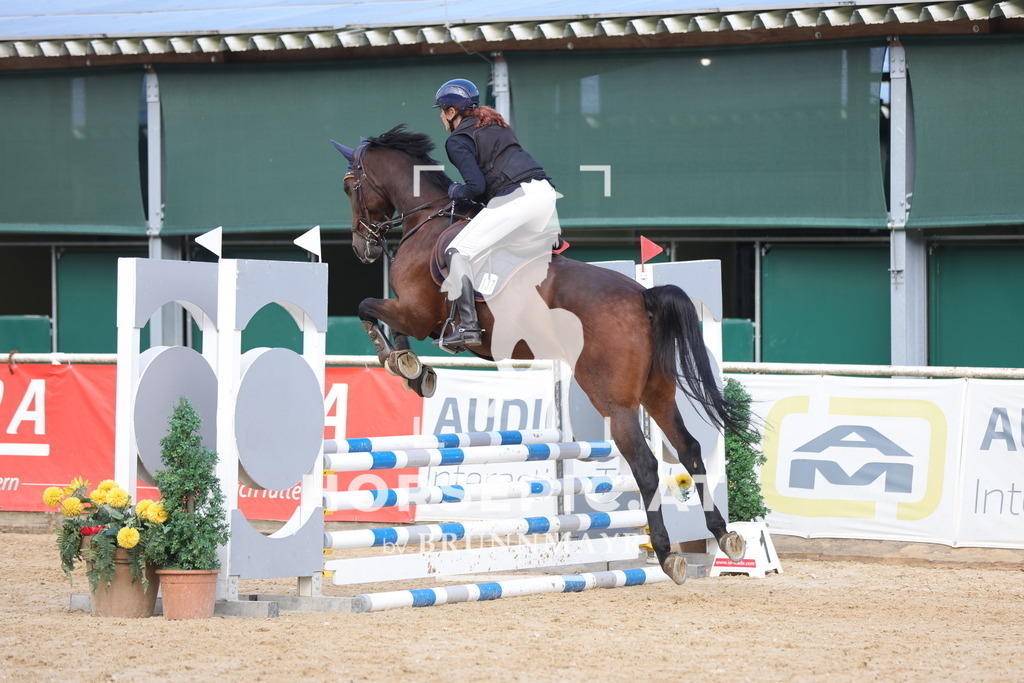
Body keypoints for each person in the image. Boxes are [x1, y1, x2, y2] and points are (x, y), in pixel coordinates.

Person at [434, 78, 557, 348]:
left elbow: (476, 187)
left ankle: (468, 327)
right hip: (545, 195)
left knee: (457, 252)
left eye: (442, 112)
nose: (442, 118)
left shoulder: (457, 140)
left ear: (452, 112)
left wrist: (456, 191)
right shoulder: (496, 124)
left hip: (516, 199)